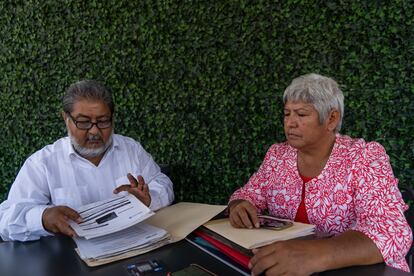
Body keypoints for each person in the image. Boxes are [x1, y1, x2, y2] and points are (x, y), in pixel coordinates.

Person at [228, 73, 412, 274]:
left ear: (331, 119)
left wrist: (314, 253)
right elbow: (248, 194)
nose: (290, 123)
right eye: (287, 113)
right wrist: (239, 205)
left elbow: (392, 233)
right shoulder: (277, 156)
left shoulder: (363, 157)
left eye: (301, 114)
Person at [0, 80, 174, 241]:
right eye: (83, 122)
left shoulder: (131, 149)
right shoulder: (42, 163)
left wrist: (149, 199)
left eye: (103, 121)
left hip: (133, 246)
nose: (94, 132)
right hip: (72, 260)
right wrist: (43, 218)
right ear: (66, 119)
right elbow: (6, 219)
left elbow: (163, 183)